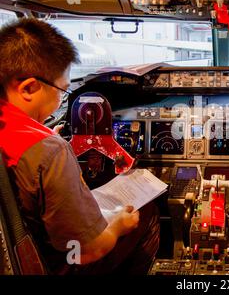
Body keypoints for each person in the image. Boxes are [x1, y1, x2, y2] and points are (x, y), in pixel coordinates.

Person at [0, 19, 160, 274]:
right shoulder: (48, 151)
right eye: (61, 92)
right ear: (29, 88)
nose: (61, 99)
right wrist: (118, 225)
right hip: (58, 264)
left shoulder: (31, 140)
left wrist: (46, 143)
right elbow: (87, 250)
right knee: (147, 211)